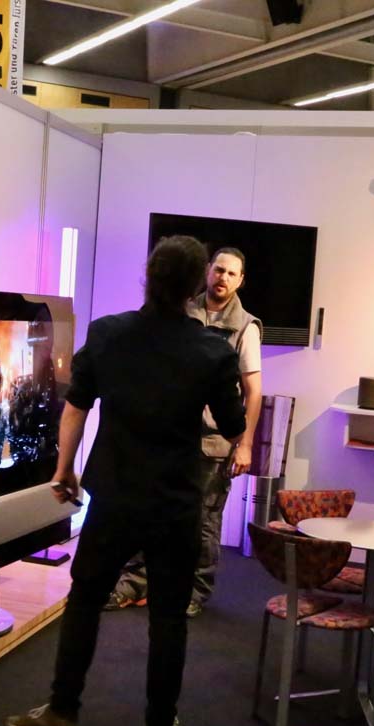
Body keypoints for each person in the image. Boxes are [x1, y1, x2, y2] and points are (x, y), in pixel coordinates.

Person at [4, 235, 245, 726]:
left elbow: (76, 405)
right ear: (196, 286)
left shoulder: (108, 333)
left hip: (113, 494)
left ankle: (62, 708)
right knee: (168, 616)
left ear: (148, 277)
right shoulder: (212, 351)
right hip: (176, 501)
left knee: (85, 599)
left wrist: (64, 469)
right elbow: (232, 424)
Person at [107, 246, 263, 618]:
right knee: (148, 511)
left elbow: (253, 391)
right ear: (207, 270)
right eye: (219, 270)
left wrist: (245, 445)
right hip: (165, 437)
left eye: (232, 273)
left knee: (202, 522)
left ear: (240, 281)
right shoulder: (180, 309)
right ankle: (135, 583)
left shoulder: (246, 326)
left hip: (212, 443)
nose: (223, 278)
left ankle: (194, 591)